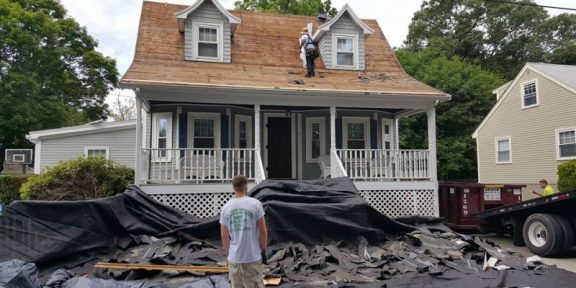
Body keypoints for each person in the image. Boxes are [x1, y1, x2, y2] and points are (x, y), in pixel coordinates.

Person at [220, 175, 268, 288]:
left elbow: (224, 235)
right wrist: (264, 249)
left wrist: (228, 255)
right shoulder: (255, 204)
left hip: (234, 259)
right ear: (246, 187)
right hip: (253, 258)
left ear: (233, 188)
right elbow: (263, 230)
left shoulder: (226, 208)